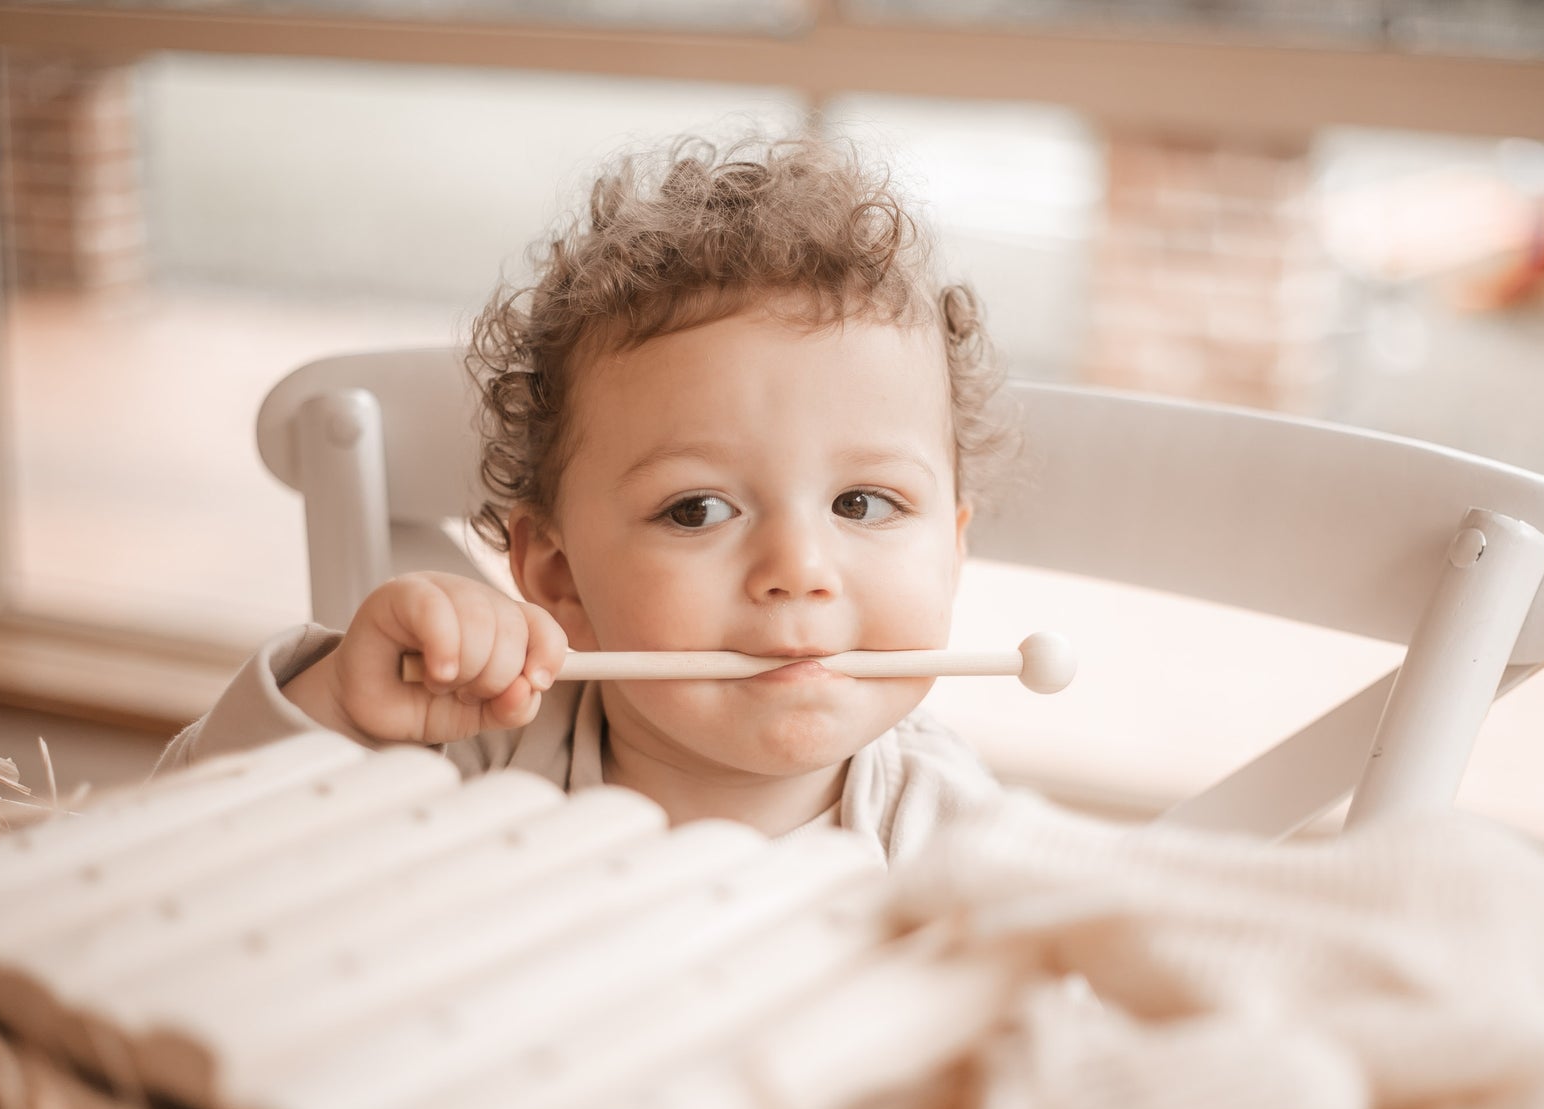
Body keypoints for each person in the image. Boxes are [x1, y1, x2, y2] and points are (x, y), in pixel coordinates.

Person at [161, 133, 1016, 863]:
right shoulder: (470, 752)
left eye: (863, 504)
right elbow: (187, 848)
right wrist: (341, 706)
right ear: (559, 577)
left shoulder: (963, 842)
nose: (797, 571)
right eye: (698, 509)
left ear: (952, 551)